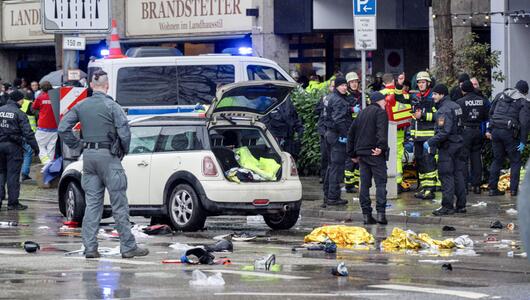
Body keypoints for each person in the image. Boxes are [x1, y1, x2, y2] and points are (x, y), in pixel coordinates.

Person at [58, 70, 148, 259]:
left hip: (89, 158)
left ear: (91, 85)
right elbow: (124, 132)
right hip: (109, 156)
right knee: (119, 204)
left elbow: (63, 128)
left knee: (92, 204)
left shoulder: (81, 105)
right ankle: (128, 247)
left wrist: (77, 145)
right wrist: (123, 151)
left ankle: (90, 248)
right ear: (107, 86)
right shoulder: (112, 106)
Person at [347, 91, 389, 224]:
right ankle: (381, 215)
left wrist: (352, 154)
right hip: (375, 154)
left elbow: (351, 133)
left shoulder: (361, 113)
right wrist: (381, 147)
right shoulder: (380, 113)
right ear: (378, 101)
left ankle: (366, 215)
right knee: (381, 184)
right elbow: (382, 131)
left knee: (364, 185)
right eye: (384, 100)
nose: (386, 102)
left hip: (362, 155)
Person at [426, 84, 466, 216]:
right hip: (459, 144)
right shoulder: (456, 106)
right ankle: (461, 205)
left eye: (435, 94)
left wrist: (430, 142)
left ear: (442, 95)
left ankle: (447, 206)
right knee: (458, 175)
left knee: (446, 176)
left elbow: (444, 132)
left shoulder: (443, 110)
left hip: (447, 147)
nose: (433, 97)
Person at [487, 80, 530, 197]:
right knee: (515, 161)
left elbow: (491, 113)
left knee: (497, 160)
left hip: (495, 130)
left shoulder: (500, 95)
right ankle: (513, 190)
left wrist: (489, 129)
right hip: (510, 133)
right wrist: (523, 141)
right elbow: (525, 123)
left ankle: (492, 189)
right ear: (525, 92)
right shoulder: (523, 101)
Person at [0, 90, 39, 211]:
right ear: (18, 99)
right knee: (13, 175)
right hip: (13, 147)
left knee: (1, 174)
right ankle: (12, 203)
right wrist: (35, 147)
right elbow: (28, 133)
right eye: (22, 99)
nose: (23, 101)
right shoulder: (19, 113)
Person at [380, 73, 412, 193]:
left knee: (386, 153)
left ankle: (389, 180)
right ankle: (398, 181)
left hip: (386, 128)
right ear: (393, 81)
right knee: (398, 153)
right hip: (400, 127)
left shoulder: (381, 94)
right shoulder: (402, 92)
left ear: (383, 83)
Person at [322, 76, 352, 206]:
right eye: (342, 85)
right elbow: (339, 120)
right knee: (337, 167)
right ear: (337, 86)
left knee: (331, 166)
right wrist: (345, 135)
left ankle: (327, 194)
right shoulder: (339, 101)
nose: (345, 87)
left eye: (346, 85)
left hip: (329, 135)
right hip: (337, 136)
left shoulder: (329, 98)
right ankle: (333, 197)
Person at [456, 80, 488, 194]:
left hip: (465, 132)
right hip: (478, 131)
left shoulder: (460, 102)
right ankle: (477, 186)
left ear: (463, 90)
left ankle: (464, 187)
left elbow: (457, 118)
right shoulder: (482, 101)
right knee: (476, 158)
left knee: (463, 159)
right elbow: (486, 117)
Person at [411, 71, 438, 200]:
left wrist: (423, 116)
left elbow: (438, 116)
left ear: (428, 83)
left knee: (429, 162)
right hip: (417, 137)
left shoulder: (433, 98)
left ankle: (430, 189)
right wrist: (411, 134)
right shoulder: (416, 97)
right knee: (420, 161)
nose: (421, 85)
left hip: (429, 136)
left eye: (423, 82)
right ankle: (423, 187)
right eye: (419, 82)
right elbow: (413, 117)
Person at [344, 72, 361, 193]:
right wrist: (351, 109)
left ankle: (356, 181)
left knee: (359, 156)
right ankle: (349, 184)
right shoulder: (345, 96)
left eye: (356, 82)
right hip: (350, 130)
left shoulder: (362, 96)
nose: (354, 84)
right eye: (352, 82)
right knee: (351, 157)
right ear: (348, 84)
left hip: (361, 130)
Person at [32, 81, 58, 164]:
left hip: (43, 126)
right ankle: (49, 167)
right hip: (55, 126)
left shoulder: (40, 97)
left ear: (42, 88)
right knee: (51, 148)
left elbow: (34, 107)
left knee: (38, 146)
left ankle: (47, 164)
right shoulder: (57, 97)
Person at [315, 79, 335, 184]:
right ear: (329, 88)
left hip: (335, 132)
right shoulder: (324, 99)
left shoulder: (341, 99)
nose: (334, 88)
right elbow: (316, 111)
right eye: (332, 86)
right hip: (324, 131)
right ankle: (323, 176)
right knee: (325, 156)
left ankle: (334, 177)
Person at [20, 90, 37, 181]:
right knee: (28, 152)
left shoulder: (14, 105)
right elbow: (37, 115)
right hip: (28, 131)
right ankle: (24, 173)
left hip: (17, 132)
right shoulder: (30, 104)